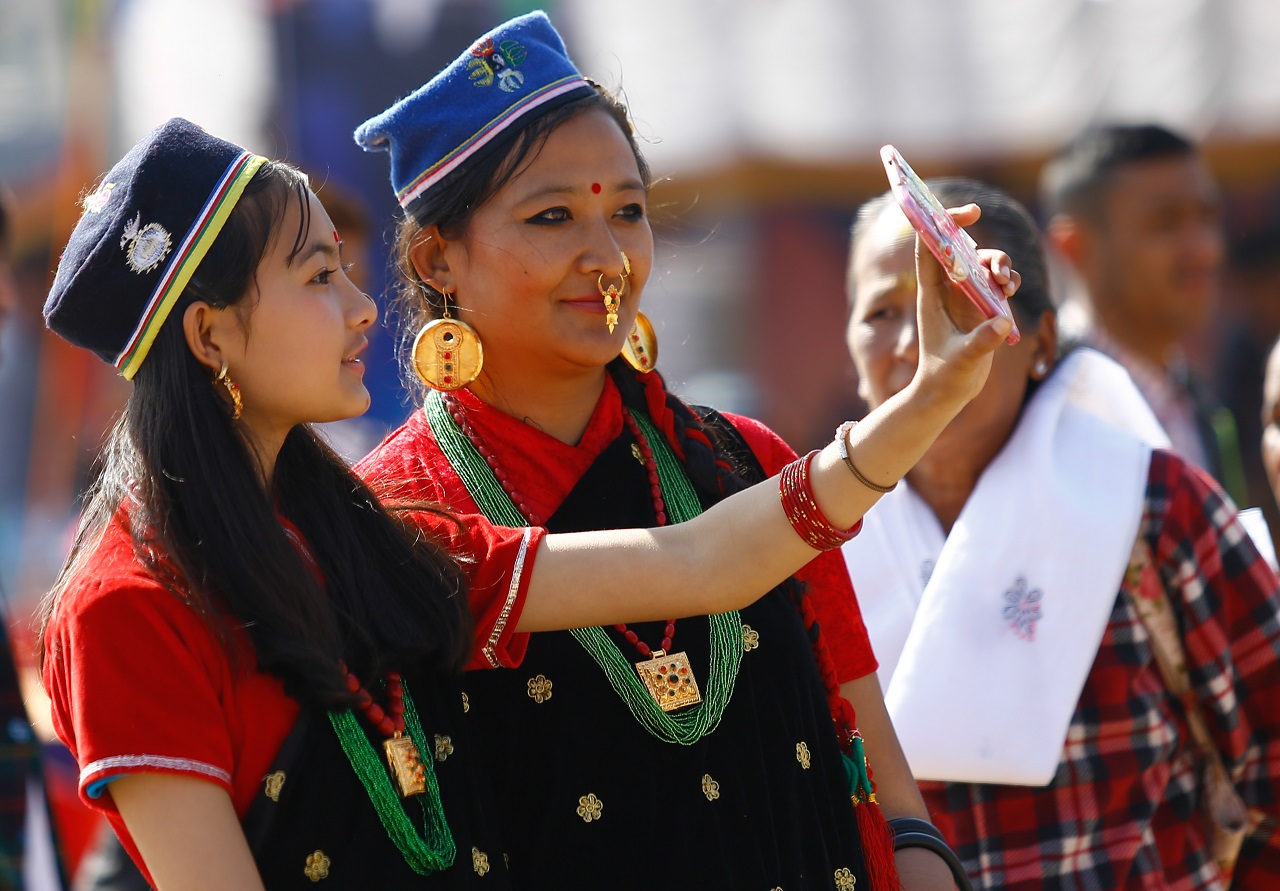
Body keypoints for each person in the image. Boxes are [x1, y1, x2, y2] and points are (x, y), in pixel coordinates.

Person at [40, 113, 1014, 889]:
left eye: (626, 210)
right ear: (209, 336)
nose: (361, 306)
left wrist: (927, 399)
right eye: (316, 276)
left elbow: (698, 564)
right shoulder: (130, 602)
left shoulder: (366, 540)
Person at [350, 11, 1011, 890]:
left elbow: (886, 788)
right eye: (553, 217)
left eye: (628, 211)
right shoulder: (394, 514)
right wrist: (928, 400)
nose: (608, 256)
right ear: (439, 259)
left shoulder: (745, 461)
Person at [842, 177, 1280, 890]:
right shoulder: (809, 546)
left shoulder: (1152, 508)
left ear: (1041, 339)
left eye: (952, 298)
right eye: (881, 311)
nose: (918, 340)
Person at [1039, 123, 1248, 505]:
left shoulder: (1200, 405)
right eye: (1165, 224)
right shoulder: (1041, 403)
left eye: (1207, 217)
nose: (1204, 249)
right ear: (1074, 246)